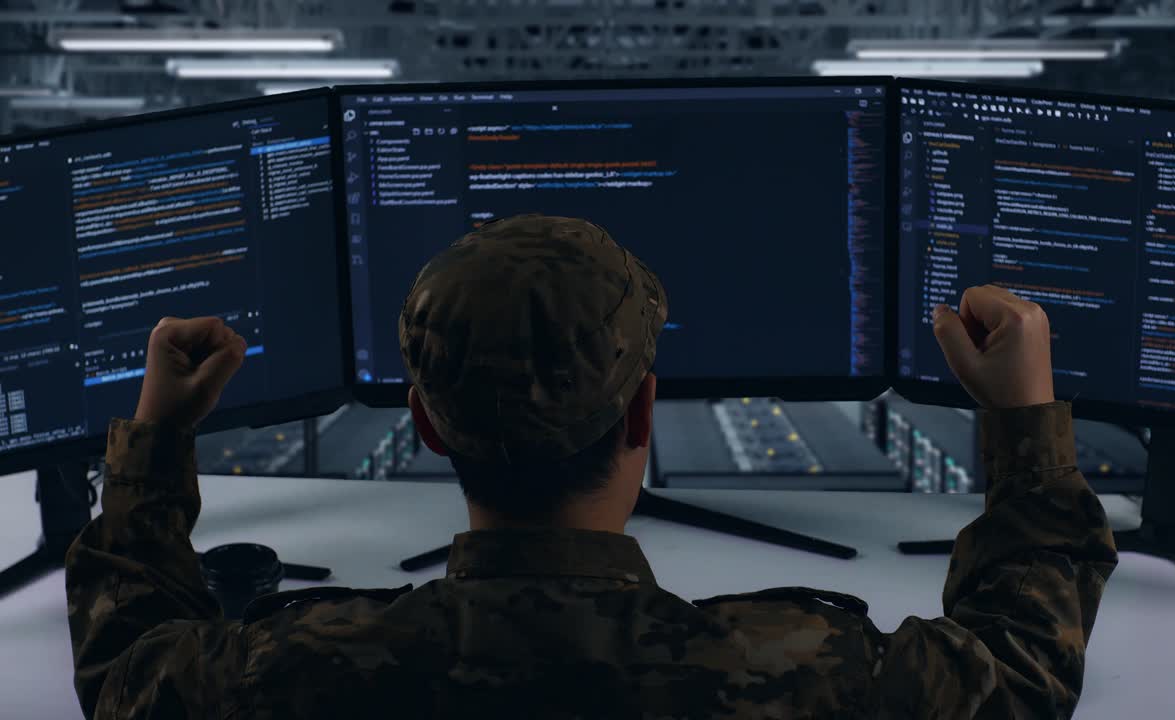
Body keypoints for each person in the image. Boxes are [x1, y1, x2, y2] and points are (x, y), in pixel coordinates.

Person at [66, 214, 1117, 719]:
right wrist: (1022, 417)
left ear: (427, 427)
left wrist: (157, 438)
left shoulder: (292, 673)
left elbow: (123, 668)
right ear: (641, 414)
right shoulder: (797, 673)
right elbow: (1023, 669)